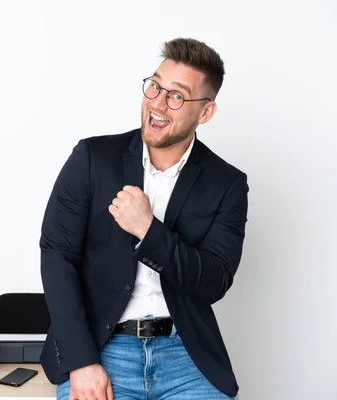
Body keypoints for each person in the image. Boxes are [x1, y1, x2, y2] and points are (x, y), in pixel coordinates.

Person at [39, 37, 248, 400]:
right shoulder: (92, 159)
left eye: (177, 96)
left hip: (185, 357)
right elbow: (57, 256)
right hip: (102, 349)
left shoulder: (226, 183)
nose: (157, 103)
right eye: (154, 86)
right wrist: (82, 362)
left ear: (205, 112)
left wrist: (148, 230)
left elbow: (214, 281)